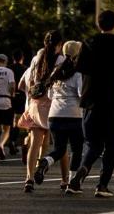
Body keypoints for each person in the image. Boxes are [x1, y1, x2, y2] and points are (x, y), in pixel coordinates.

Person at [68, 11, 114, 197]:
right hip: (112, 99)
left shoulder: (88, 42)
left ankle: (80, 174)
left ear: (98, 25)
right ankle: (102, 185)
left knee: (94, 144)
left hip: (90, 100)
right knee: (112, 145)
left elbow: (80, 67)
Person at [34, 40, 84, 191]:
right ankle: (71, 182)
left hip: (54, 115)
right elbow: (81, 93)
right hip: (73, 115)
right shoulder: (77, 73)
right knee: (77, 149)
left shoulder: (56, 71)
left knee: (59, 149)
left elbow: (49, 95)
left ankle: (46, 161)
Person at [20, 30, 63, 193]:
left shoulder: (36, 59)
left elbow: (29, 81)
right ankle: (49, 171)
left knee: (34, 143)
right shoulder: (61, 60)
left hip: (36, 104)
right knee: (54, 142)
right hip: (53, 104)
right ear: (59, 45)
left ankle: (29, 179)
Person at [8, 50, 27, 156]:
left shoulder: (8, 69)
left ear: (13, 58)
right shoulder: (25, 69)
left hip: (9, 97)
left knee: (10, 120)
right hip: (21, 96)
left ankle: (10, 140)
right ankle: (13, 140)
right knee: (18, 120)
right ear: (22, 58)